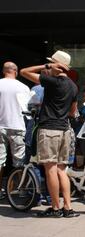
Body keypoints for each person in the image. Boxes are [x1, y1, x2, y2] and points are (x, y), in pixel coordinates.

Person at [20, 50, 79, 217]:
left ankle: (55, 208)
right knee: (62, 170)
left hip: (49, 129)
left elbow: (24, 72)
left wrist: (47, 66)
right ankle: (67, 207)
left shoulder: (52, 81)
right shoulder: (73, 86)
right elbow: (72, 111)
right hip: (64, 130)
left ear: (57, 65)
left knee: (50, 169)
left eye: (52, 63)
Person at [0, 62, 30, 198]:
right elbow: (28, 110)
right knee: (19, 161)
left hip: (0, 126)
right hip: (18, 126)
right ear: (16, 72)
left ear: (3, 71)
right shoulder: (23, 87)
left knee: (0, 160)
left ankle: (0, 190)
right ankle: (20, 189)